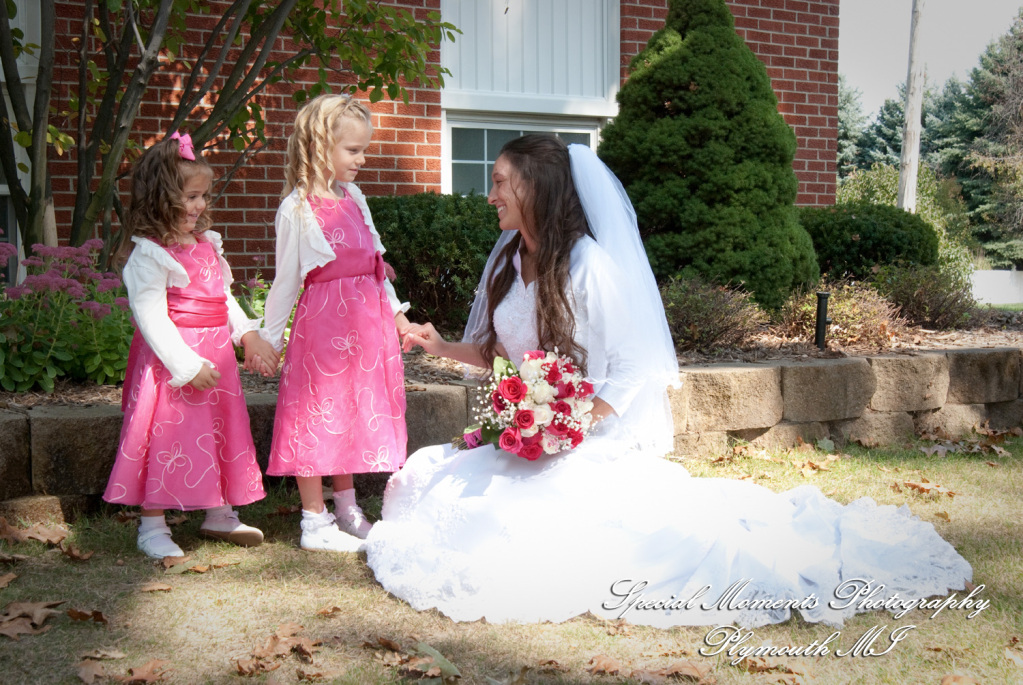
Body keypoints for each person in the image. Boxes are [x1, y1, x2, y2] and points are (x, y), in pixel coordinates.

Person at [363, 134, 972, 628]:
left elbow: (635, 365)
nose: (490, 194)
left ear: (534, 186)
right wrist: (439, 345)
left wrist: (571, 422)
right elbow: (498, 350)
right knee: (429, 485)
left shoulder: (588, 265)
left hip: (589, 434)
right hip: (534, 434)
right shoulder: (503, 257)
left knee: (516, 526)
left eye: (500, 182)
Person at [104, 131, 278, 559]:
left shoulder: (205, 244)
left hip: (216, 359)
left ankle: (219, 512)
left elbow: (223, 298)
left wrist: (248, 335)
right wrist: (185, 364)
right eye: (190, 197)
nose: (199, 206)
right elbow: (150, 316)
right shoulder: (149, 254)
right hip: (173, 365)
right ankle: (152, 525)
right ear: (159, 198)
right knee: (165, 436)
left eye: (203, 196)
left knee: (216, 432)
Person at [258, 94, 410, 553]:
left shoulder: (355, 198)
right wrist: (267, 339)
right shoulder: (297, 208)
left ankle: (346, 509)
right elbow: (286, 281)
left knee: (346, 416)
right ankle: (314, 520)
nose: (362, 159)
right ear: (320, 146)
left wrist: (399, 317)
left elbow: (376, 265)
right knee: (315, 415)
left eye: (364, 150)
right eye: (353, 150)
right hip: (323, 332)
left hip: (364, 330)